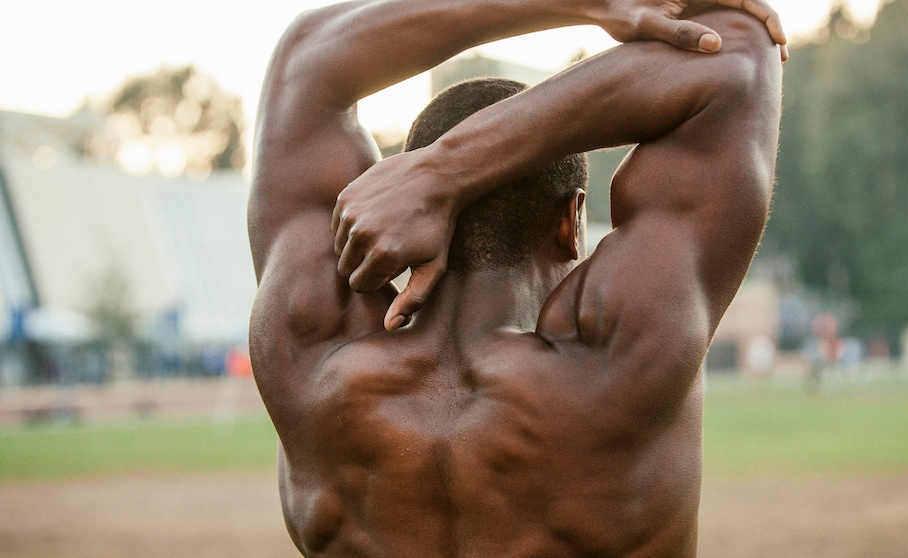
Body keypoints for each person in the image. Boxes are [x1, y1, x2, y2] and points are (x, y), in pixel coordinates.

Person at [249, 0, 785, 555]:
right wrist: (448, 172)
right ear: (570, 222)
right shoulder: (617, 367)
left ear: (404, 225)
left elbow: (306, 61)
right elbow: (736, 53)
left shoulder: (312, 359)